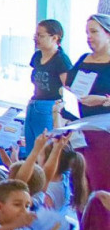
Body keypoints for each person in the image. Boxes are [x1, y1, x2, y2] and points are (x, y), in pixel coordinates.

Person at [69, 14, 110, 192]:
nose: (89, 37)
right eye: (86, 32)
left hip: (104, 134)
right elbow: (69, 86)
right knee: (81, 182)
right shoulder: (83, 59)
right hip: (80, 130)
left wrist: (103, 100)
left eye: (94, 32)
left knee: (101, 181)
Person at [23, 19, 72, 150]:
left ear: (55, 38)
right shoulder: (37, 56)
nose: (36, 38)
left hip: (49, 106)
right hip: (34, 103)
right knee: (31, 148)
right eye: (36, 35)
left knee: (45, 149)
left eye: (41, 35)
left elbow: (67, 88)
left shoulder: (61, 59)